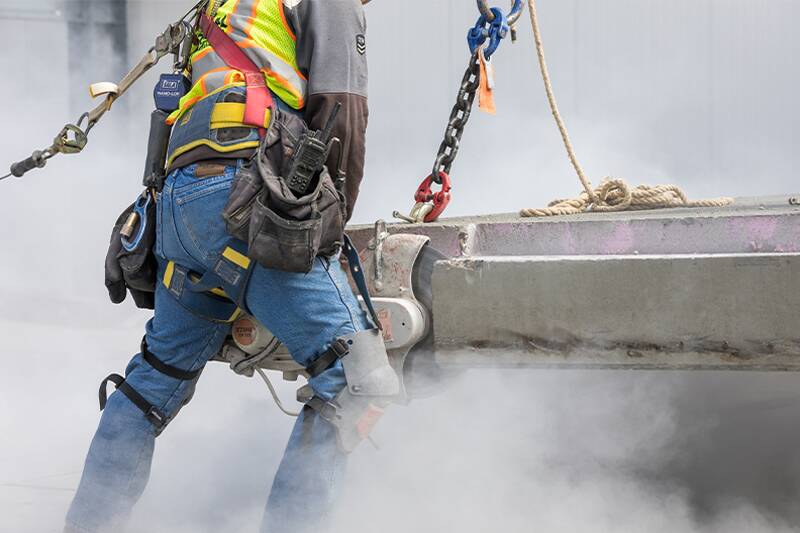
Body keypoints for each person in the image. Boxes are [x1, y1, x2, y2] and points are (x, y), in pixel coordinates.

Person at [64, 1, 390, 532]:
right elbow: (340, 115)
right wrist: (325, 223)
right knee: (358, 380)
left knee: (153, 381)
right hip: (246, 198)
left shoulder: (227, 5)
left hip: (181, 207)